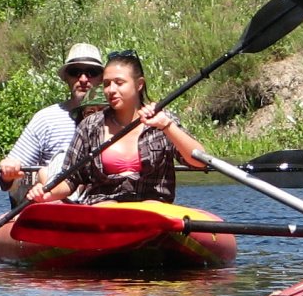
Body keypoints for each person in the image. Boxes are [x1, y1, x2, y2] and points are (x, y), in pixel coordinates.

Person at [34, 50, 209, 205]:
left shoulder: (163, 120)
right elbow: (70, 179)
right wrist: (47, 192)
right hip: (104, 208)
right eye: (107, 84)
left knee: (150, 206)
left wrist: (167, 127)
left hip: (153, 208)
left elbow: (200, 162)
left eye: (119, 82)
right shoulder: (90, 125)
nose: (111, 90)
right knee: (106, 207)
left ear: (139, 84)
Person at [0, 42, 104, 204]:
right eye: (75, 72)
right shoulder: (46, 119)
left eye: (91, 72)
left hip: (100, 202)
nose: (83, 79)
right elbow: (7, 179)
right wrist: (8, 173)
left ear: (102, 78)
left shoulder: (116, 116)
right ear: (66, 78)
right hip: (55, 204)